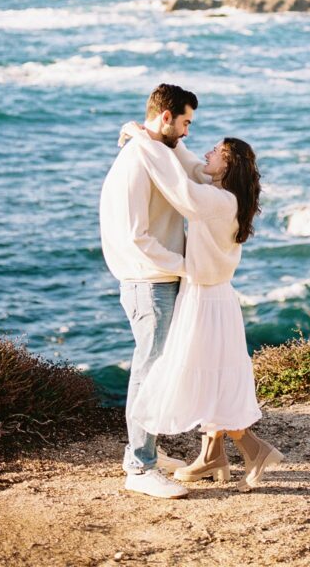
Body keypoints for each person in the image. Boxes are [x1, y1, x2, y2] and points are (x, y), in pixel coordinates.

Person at [120, 125, 284, 492]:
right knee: (213, 375)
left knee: (207, 378)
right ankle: (213, 455)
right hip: (214, 297)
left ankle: (255, 450)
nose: (208, 153)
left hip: (206, 299)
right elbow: (191, 165)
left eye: (216, 151)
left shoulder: (216, 201)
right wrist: (169, 142)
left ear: (228, 164)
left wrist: (146, 144)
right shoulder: (225, 196)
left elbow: (178, 188)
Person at [99, 83, 208, 500]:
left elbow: (195, 166)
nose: (187, 132)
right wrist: (188, 267)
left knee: (158, 368)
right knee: (147, 370)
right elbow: (136, 237)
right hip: (148, 281)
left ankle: (148, 451)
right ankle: (139, 466)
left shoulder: (156, 150)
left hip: (160, 279)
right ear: (166, 117)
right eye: (184, 122)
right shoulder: (136, 162)